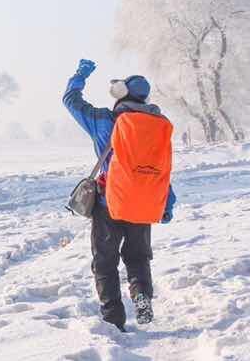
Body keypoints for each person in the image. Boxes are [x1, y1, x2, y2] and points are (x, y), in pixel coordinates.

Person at [63, 59, 175, 331]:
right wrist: (166, 203)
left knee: (105, 262)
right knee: (137, 258)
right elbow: (161, 168)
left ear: (121, 94)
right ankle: (141, 297)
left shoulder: (104, 120)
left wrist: (79, 76)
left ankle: (113, 320)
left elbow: (70, 100)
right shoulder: (158, 126)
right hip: (145, 202)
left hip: (108, 203)